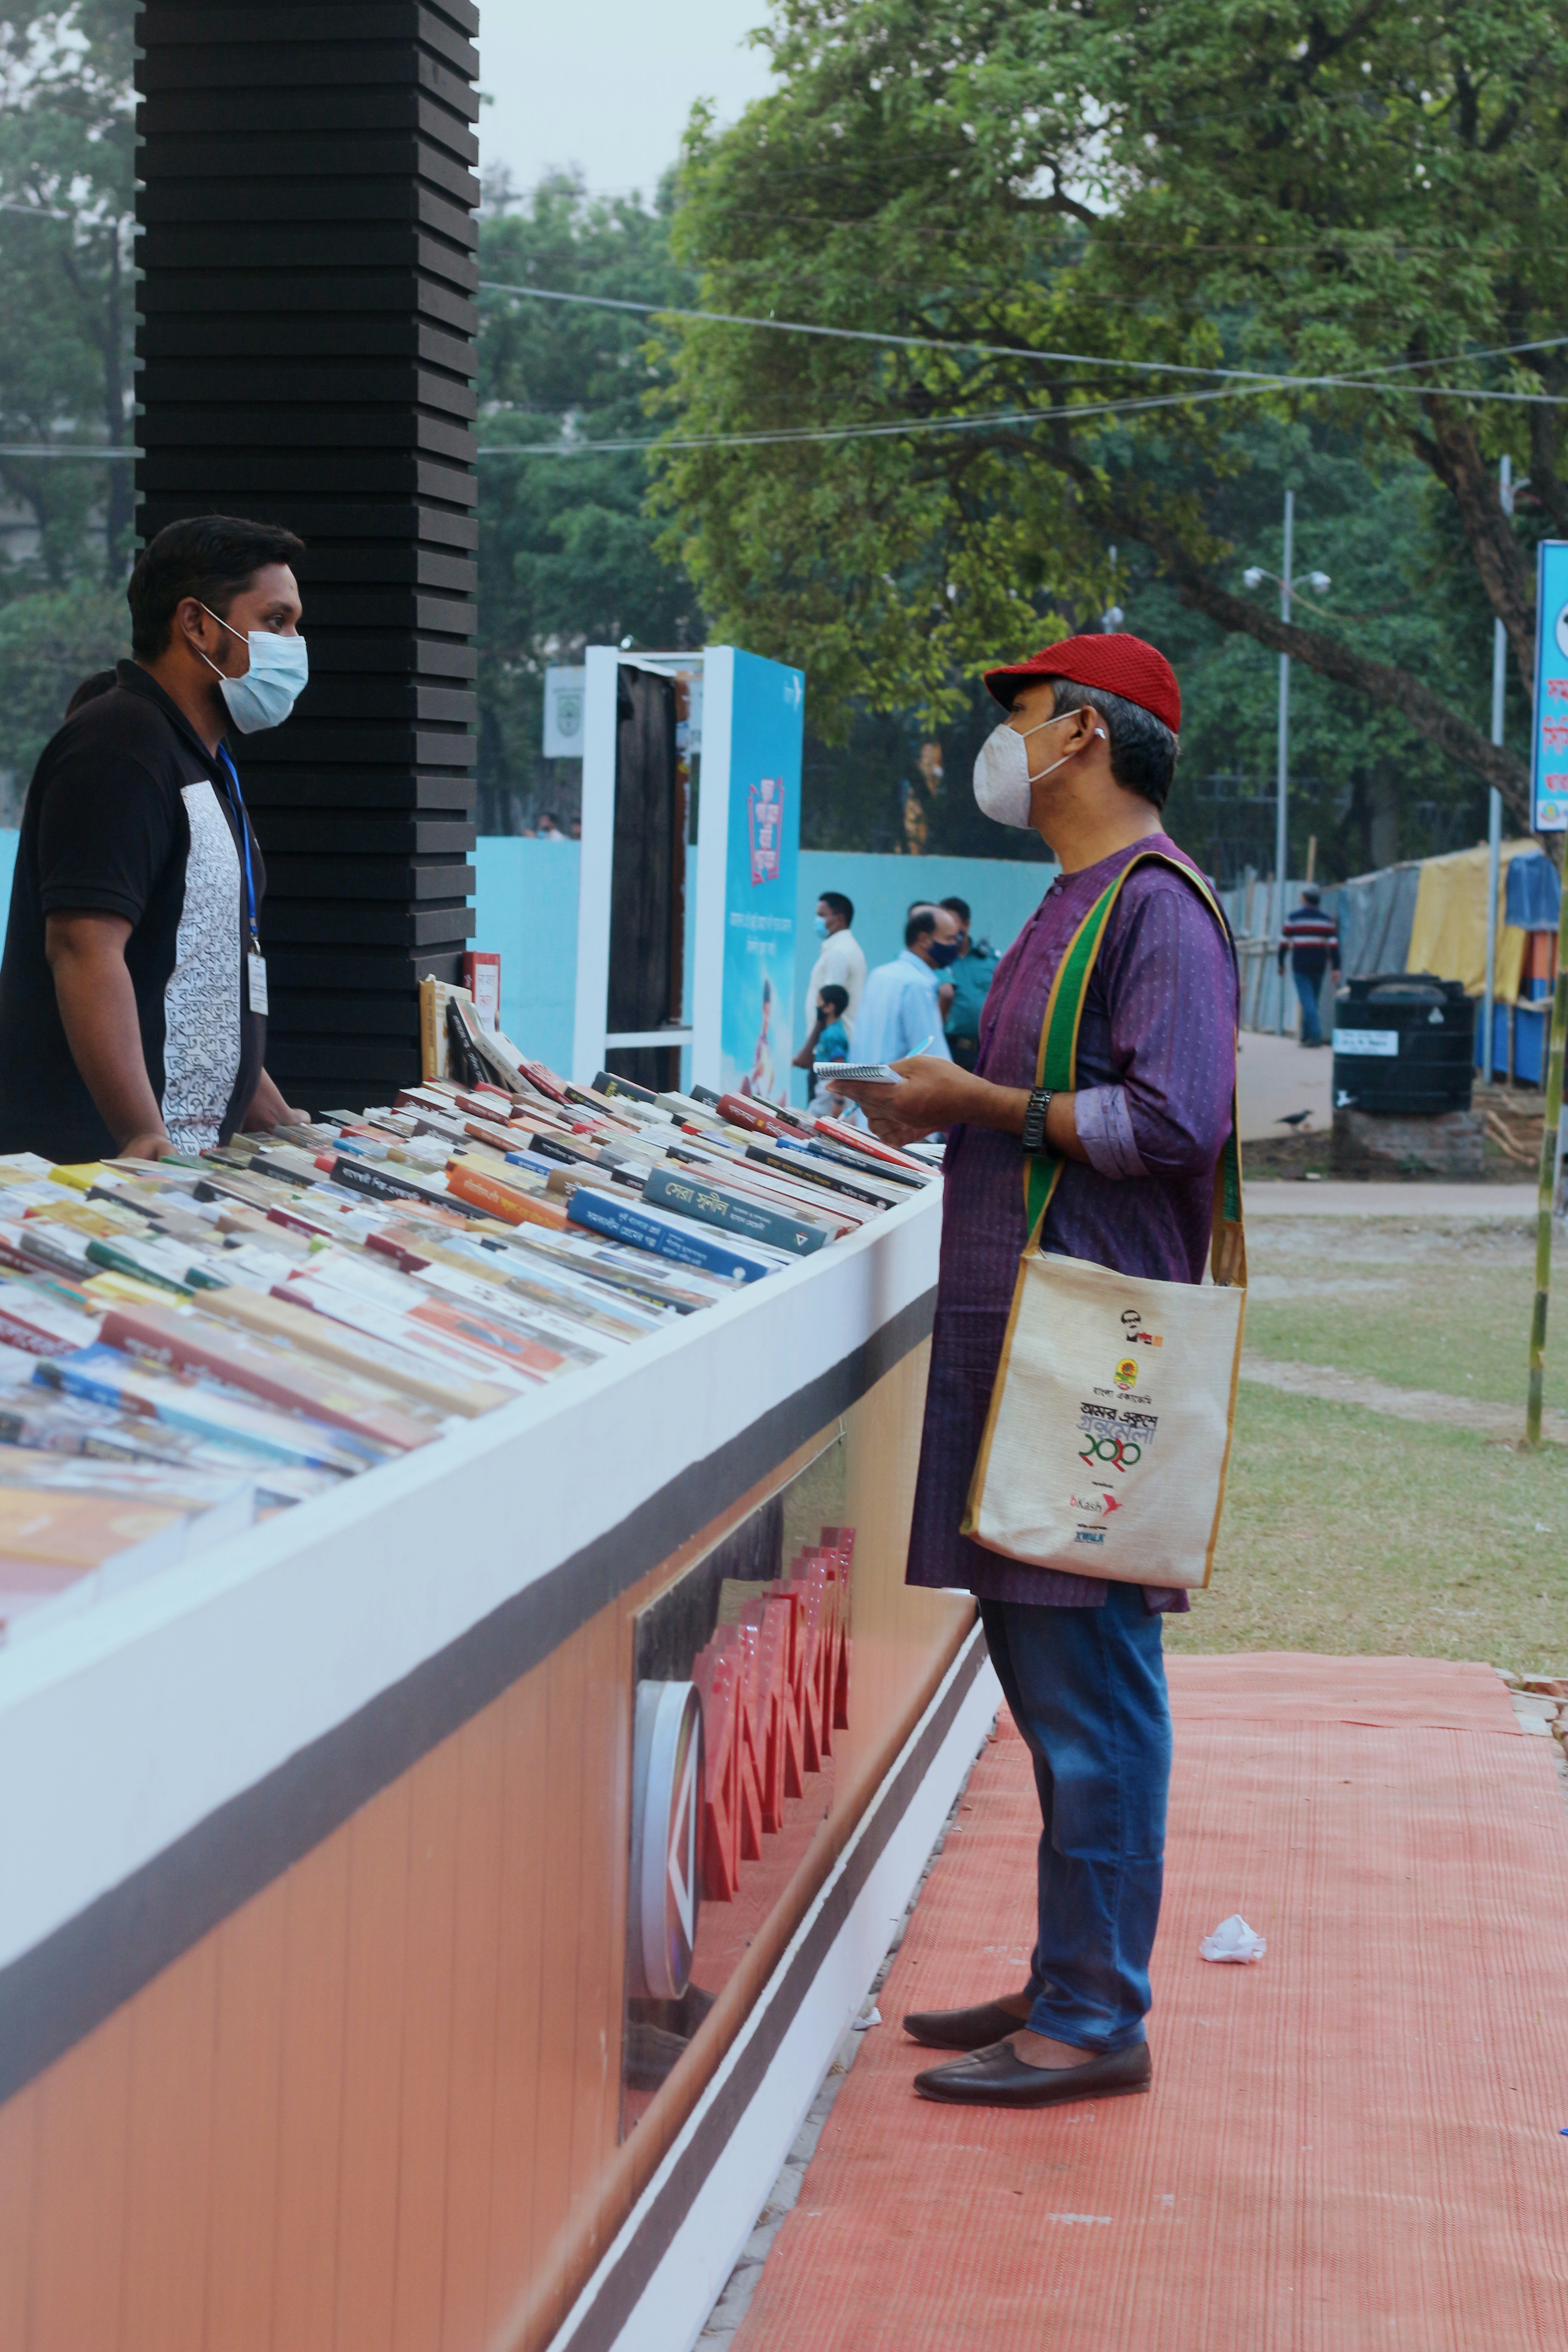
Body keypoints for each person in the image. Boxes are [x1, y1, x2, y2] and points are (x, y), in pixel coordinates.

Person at [834, 633, 1236, 2112]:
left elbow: (1174, 1120)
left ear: (1084, 735)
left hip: (1086, 1352)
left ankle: (1095, 2011)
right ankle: (1073, 1970)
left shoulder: (1155, 908)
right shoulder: (1072, 900)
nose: (999, 744)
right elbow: (1043, 1104)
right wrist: (943, 1107)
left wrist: (980, 1101)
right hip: (1028, 1339)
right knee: (1050, 1678)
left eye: (1020, 715)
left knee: (1092, 1688)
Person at [0, 513, 311, 1165]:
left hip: (183, 1161)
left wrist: (276, 1119)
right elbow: (83, 948)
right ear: (196, 624)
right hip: (102, 1171)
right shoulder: (119, 746)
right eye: (276, 621)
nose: (293, 645)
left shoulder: (202, 760)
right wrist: (140, 1135)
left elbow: (193, 979)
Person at [853, 905, 960, 1068]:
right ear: (924, 940)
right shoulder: (918, 985)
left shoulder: (878, 975)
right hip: (896, 1081)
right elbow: (934, 1059)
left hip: (863, 1079)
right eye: (949, 939)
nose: (955, 945)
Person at [938, 894, 999, 1070]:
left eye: (952, 922)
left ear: (966, 924)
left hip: (986, 1050)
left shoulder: (990, 960)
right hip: (950, 1049)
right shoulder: (938, 961)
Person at [1278, 882, 1339, 1045]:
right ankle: (1307, 1036)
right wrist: (1336, 968)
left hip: (1301, 966)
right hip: (1319, 966)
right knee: (1312, 1001)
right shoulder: (1326, 920)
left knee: (1307, 1001)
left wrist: (1281, 963)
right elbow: (1333, 946)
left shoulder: (1294, 918)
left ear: (1305, 899)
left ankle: (1316, 1035)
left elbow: (1283, 943)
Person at [803, 890, 866, 1037]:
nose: (817, 921)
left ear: (840, 919)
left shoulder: (839, 952)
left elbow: (829, 1006)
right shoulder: (845, 948)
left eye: (822, 915)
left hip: (832, 1043)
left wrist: (809, 1047)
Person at [797, 983, 851, 1115]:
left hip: (829, 1091)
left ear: (829, 1007)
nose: (817, 1007)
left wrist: (838, 1101)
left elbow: (839, 1067)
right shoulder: (827, 1031)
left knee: (809, 1122)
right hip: (823, 1088)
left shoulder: (833, 1034)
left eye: (819, 1003)